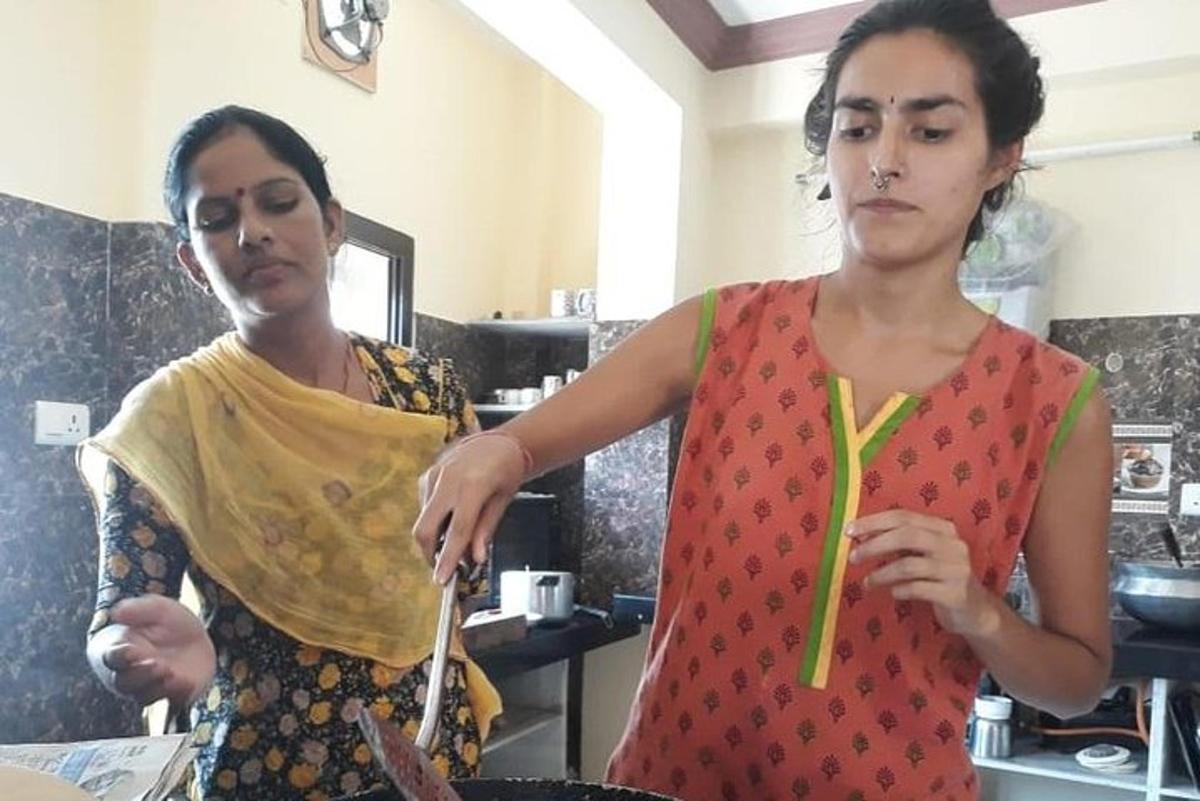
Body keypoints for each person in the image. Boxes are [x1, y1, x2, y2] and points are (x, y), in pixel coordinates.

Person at [415, 1, 1114, 799]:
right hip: (669, 782)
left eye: (930, 131)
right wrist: (492, 452)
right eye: (857, 128)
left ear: (1000, 159)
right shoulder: (724, 328)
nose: (884, 160)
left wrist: (979, 611)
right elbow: (525, 443)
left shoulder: (1054, 401)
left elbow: (1076, 680)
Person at [79, 105, 500, 801]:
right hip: (257, 766)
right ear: (190, 259)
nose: (254, 233)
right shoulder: (171, 415)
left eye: (279, 202)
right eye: (216, 219)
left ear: (332, 223)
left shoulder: (427, 392)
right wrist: (133, 656)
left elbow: (465, 582)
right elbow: (119, 621)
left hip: (426, 754)